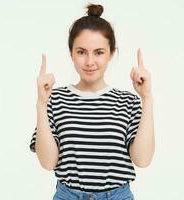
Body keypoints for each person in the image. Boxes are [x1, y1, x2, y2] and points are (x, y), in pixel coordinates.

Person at [29, 3, 154, 200]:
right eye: (81, 52)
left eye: (98, 52)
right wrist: (41, 104)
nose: (89, 61)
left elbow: (143, 159)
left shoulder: (128, 102)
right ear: (71, 53)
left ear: (111, 53)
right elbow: (48, 163)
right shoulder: (55, 99)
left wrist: (147, 98)